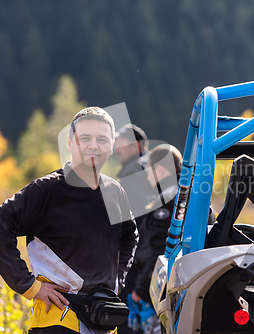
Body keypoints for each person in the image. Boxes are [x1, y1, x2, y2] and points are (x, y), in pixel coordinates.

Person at [0, 107, 139, 334]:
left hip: (102, 317)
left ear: (111, 146)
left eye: (102, 139)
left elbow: (130, 238)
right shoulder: (46, 190)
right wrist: (30, 287)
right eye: (85, 138)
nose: (93, 145)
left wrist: (116, 283)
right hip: (57, 318)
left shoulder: (115, 191)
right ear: (70, 143)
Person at [127, 144, 183, 334]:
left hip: (164, 291)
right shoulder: (187, 194)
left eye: (148, 170)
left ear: (159, 169)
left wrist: (141, 290)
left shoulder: (169, 200)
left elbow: (161, 251)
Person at [113, 124, 154, 334]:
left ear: (137, 146)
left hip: (138, 261)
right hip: (152, 260)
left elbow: (133, 219)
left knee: (131, 324)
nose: (116, 149)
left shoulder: (134, 170)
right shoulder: (151, 168)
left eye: (121, 144)